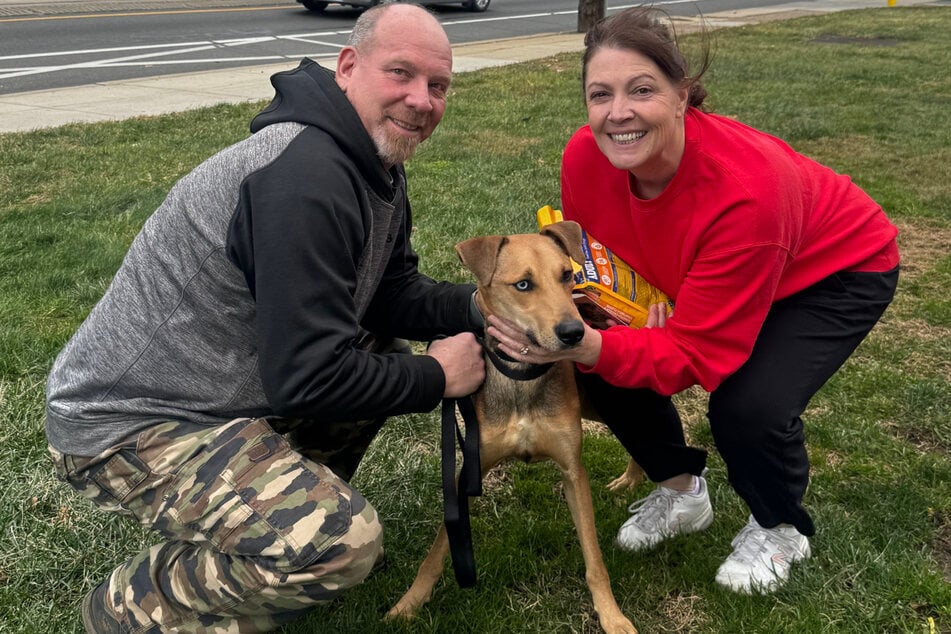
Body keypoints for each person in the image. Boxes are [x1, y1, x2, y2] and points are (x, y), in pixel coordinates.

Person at [45, 4, 486, 632]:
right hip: (128, 423)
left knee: (378, 344)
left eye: (437, 85)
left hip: (223, 392)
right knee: (341, 541)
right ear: (348, 67)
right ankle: (130, 606)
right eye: (401, 74)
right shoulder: (304, 179)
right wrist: (437, 376)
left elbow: (389, 293)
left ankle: (270, 521)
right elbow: (308, 379)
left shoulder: (372, 163)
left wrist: (483, 306)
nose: (421, 100)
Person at [488, 7, 899, 594]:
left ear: (682, 96)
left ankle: (781, 525)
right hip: (728, 267)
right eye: (599, 94)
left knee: (747, 404)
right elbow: (602, 261)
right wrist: (609, 324)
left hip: (835, 271)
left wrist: (658, 339)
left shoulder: (746, 194)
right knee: (588, 348)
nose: (618, 113)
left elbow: (697, 361)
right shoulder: (584, 155)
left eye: (642, 90)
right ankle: (682, 492)